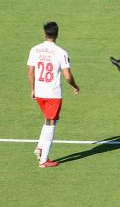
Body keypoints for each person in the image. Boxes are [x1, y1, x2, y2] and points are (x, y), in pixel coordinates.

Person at [27, 21, 80, 168]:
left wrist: (33, 89)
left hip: (40, 93)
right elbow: (67, 76)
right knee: (51, 124)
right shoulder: (61, 52)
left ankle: (39, 147)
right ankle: (44, 160)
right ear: (57, 34)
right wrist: (75, 86)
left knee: (51, 121)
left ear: (45, 34)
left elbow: (30, 72)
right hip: (53, 94)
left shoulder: (34, 50)